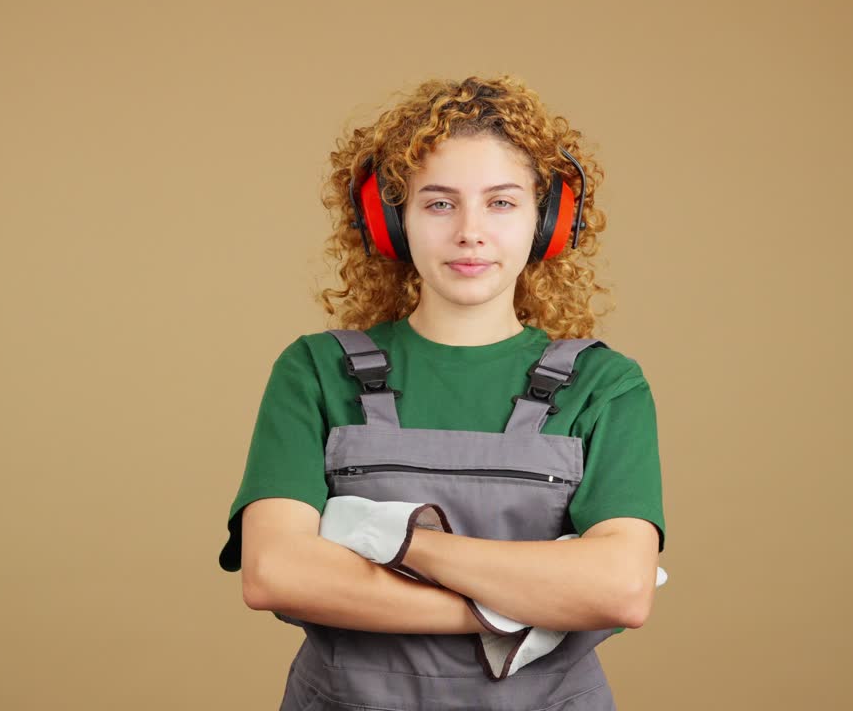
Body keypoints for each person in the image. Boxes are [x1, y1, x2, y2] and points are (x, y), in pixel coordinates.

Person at [218, 74, 667, 710]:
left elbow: (621, 590)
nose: (470, 232)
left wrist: (404, 544)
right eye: (438, 203)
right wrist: (508, 613)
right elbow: (275, 574)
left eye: (502, 203)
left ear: (547, 222)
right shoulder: (315, 370)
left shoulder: (606, 384)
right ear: (390, 222)